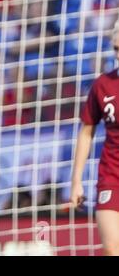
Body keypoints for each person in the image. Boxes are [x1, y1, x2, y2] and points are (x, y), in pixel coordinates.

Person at [70, 21, 119, 256]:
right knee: (112, 248)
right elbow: (86, 131)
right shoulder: (103, 85)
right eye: (116, 49)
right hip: (112, 175)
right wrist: (76, 180)